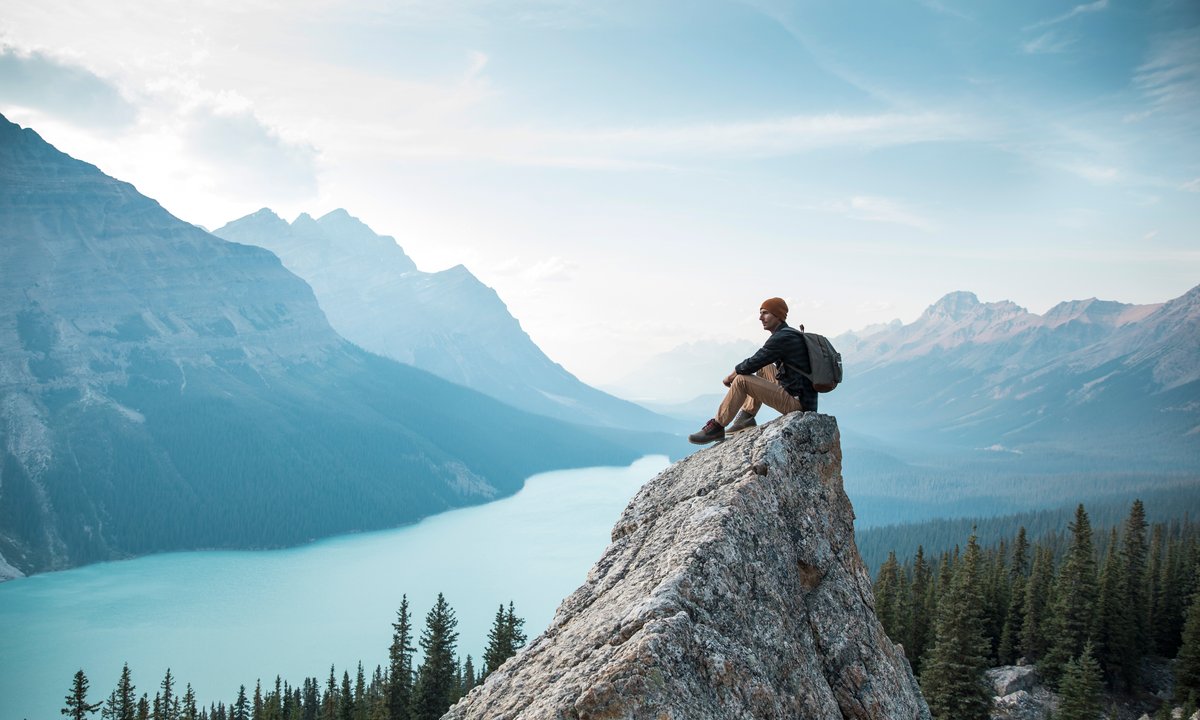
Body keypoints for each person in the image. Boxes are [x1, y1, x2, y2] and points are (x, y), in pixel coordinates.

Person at [688, 297, 817, 444]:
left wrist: (731, 376)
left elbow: (752, 362)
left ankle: (717, 427)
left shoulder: (782, 338)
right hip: (798, 394)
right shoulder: (790, 334)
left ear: (778, 315)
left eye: (765, 313)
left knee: (742, 380)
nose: (760, 318)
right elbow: (760, 362)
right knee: (764, 367)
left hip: (798, 405)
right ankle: (746, 418)